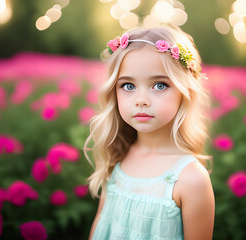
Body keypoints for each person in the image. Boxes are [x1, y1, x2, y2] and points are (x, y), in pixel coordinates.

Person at [83, 26, 215, 240]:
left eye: (160, 85)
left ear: (185, 91)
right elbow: (101, 224)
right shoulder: (119, 152)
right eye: (128, 86)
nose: (141, 99)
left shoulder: (190, 179)